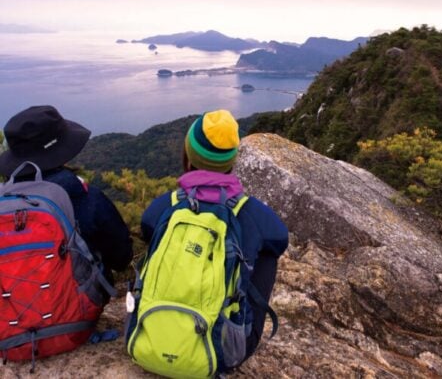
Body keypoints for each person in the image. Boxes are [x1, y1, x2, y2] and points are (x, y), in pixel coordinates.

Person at [141, 109, 289, 362]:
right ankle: (239, 328)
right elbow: (280, 239)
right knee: (267, 255)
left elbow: (146, 227)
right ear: (231, 161)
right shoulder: (250, 212)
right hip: (223, 353)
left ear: (188, 154)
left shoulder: (165, 206)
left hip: (148, 339)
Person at [0, 105, 133, 289]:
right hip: (77, 309)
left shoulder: (4, 202)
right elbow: (121, 257)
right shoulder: (86, 197)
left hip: (9, 311)